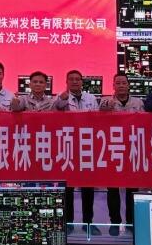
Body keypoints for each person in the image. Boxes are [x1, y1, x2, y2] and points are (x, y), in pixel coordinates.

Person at [54, 70, 100, 230]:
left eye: (77, 79)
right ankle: (69, 222)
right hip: (68, 146)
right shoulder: (61, 98)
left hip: (87, 146)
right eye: (71, 79)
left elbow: (98, 119)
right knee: (68, 187)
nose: (74, 82)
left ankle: (88, 223)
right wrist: (61, 100)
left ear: (82, 82)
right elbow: (55, 111)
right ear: (66, 82)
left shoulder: (91, 98)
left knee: (88, 187)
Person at [100, 73, 142, 234]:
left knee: (132, 188)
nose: (121, 85)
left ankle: (131, 222)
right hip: (112, 148)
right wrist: (105, 110)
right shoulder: (105, 101)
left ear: (128, 85)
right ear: (113, 86)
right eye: (118, 83)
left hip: (133, 148)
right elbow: (98, 121)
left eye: (124, 83)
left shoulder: (138, 103)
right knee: (113, 188)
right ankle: (115, 223)